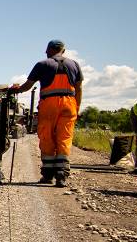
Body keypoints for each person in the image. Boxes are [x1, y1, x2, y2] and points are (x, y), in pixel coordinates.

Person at [10, 39, 83, 187]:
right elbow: (79, 88)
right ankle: (61, 175)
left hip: (49, 104)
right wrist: (77, 108)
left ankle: (48, 175)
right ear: (63, 50)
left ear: (49, 50)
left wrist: (16, 89)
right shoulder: (74, 65)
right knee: (64, 137)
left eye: (46, 50)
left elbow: (27, 86)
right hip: (69, 104)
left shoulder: (43, 64)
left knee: (47, 137)